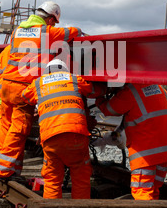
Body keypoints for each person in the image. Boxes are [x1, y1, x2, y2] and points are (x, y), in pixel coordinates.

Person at [0, 1, 83, 181]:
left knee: (6, 124)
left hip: (7, 84)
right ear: (50, 19)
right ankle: (3, 171)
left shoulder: (17, 31)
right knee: (19, 129)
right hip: (22, 87)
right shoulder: (47, 32)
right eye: (54, 22)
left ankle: (3, 166)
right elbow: (74, 31)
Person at [20, 59, 106, 199]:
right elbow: (94, 90)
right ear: (65, 70)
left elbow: (24, 96)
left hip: (51, 139)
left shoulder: (38, 83)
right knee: (81, 178)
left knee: (52, 180)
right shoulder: (74, 79)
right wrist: (107, 88)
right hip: (76, 136)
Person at [96, 83, 167, 200]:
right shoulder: (157, 86)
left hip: (146, 154)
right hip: (166, 151)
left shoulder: (129, 92)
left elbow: (109, 109)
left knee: (142, 191)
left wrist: (99, 97)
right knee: (154, 189)